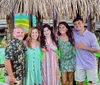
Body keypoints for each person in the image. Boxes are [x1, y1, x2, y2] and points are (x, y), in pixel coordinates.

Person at [73, 17, 100, 85]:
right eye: (75, 24)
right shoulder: (74, 33)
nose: (77, 25)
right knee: (79, 82)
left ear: (83, 23)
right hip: (79, 64)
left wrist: (84, 47)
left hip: (90, 64)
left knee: (91, 83)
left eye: (79, 23)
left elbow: (97, 50)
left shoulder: (91, 36)